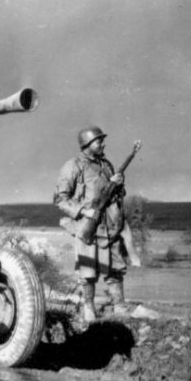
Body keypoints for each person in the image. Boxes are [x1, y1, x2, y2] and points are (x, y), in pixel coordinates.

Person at [54, 126, 129, 322]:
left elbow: (118, 194)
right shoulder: (72, 166)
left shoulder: (106, 165)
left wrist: (118, 184)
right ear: (87, 144)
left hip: (110, 224)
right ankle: (88, 307)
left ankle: (120, 306)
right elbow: (60, 199)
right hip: (87, 226)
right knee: (88, 271)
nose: (103, 144)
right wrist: (83, 211)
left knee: (115, 268)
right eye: (99, 141)